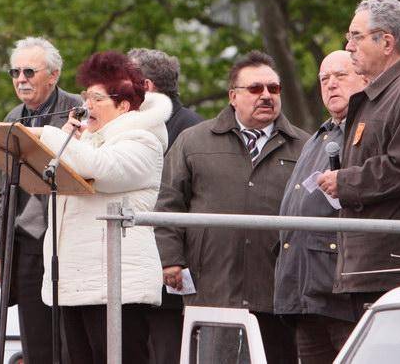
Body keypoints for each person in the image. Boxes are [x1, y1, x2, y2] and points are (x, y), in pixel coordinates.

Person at [155, 50, 308, 364]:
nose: (266, 96)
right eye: (255, 88)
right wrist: (171, 260)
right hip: (213, 288)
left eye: (273, 88)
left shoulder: (305, 146)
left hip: (278, 291)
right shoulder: (193, 141)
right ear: (233, 96)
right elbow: (169, 203)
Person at [33, 51, 170, 363]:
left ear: (123, 106)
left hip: (119, 285)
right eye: (86, 97)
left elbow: (99, 169)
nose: (87, 106)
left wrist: (52, 136)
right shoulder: (87, 141)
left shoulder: (143, 141)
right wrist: (68, 138)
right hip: (78, 280)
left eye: (97, 99)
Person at [317, 0, 400, 318]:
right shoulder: (382, 93)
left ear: (387, 42)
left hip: (394, 270)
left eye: (356, 37)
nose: (349, 46)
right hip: (371, 266)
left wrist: (345, 181)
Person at [0, 37, 81, 364]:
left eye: (29, 72)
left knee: (70, 344)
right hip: (26, 244)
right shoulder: (13, 116)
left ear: (53, 75)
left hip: (66, 241)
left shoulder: (77, 109)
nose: (21, 79)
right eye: (15, 72)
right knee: (35, 343)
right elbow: (4, 192)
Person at [274, 51, 367, 363]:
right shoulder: (320, 135)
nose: (331, 84)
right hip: (305, 292)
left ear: (364, 78)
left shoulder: (367, 130)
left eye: (340, 76)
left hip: (342, 293)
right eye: (324, 79)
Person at [127, 48, 204, 363]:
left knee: (168, 352)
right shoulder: (134, 125)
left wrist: (172, 259)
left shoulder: (192, 132)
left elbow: (183, 200)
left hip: (170, 273)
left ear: (146, 86)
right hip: (137, 271)